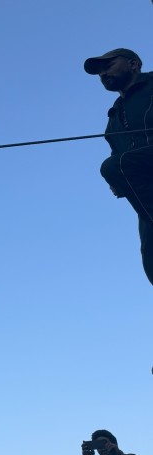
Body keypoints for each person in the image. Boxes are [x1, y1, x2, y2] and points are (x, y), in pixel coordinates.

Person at [84, 48, 153, 285]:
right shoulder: (113, 118)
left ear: (133, 64)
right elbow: (118, 154)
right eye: (99, 72)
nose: (103, 74)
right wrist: (118, 184)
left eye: (109, 66)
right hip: (147, 191)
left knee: (114, 167)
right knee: (151, 262)